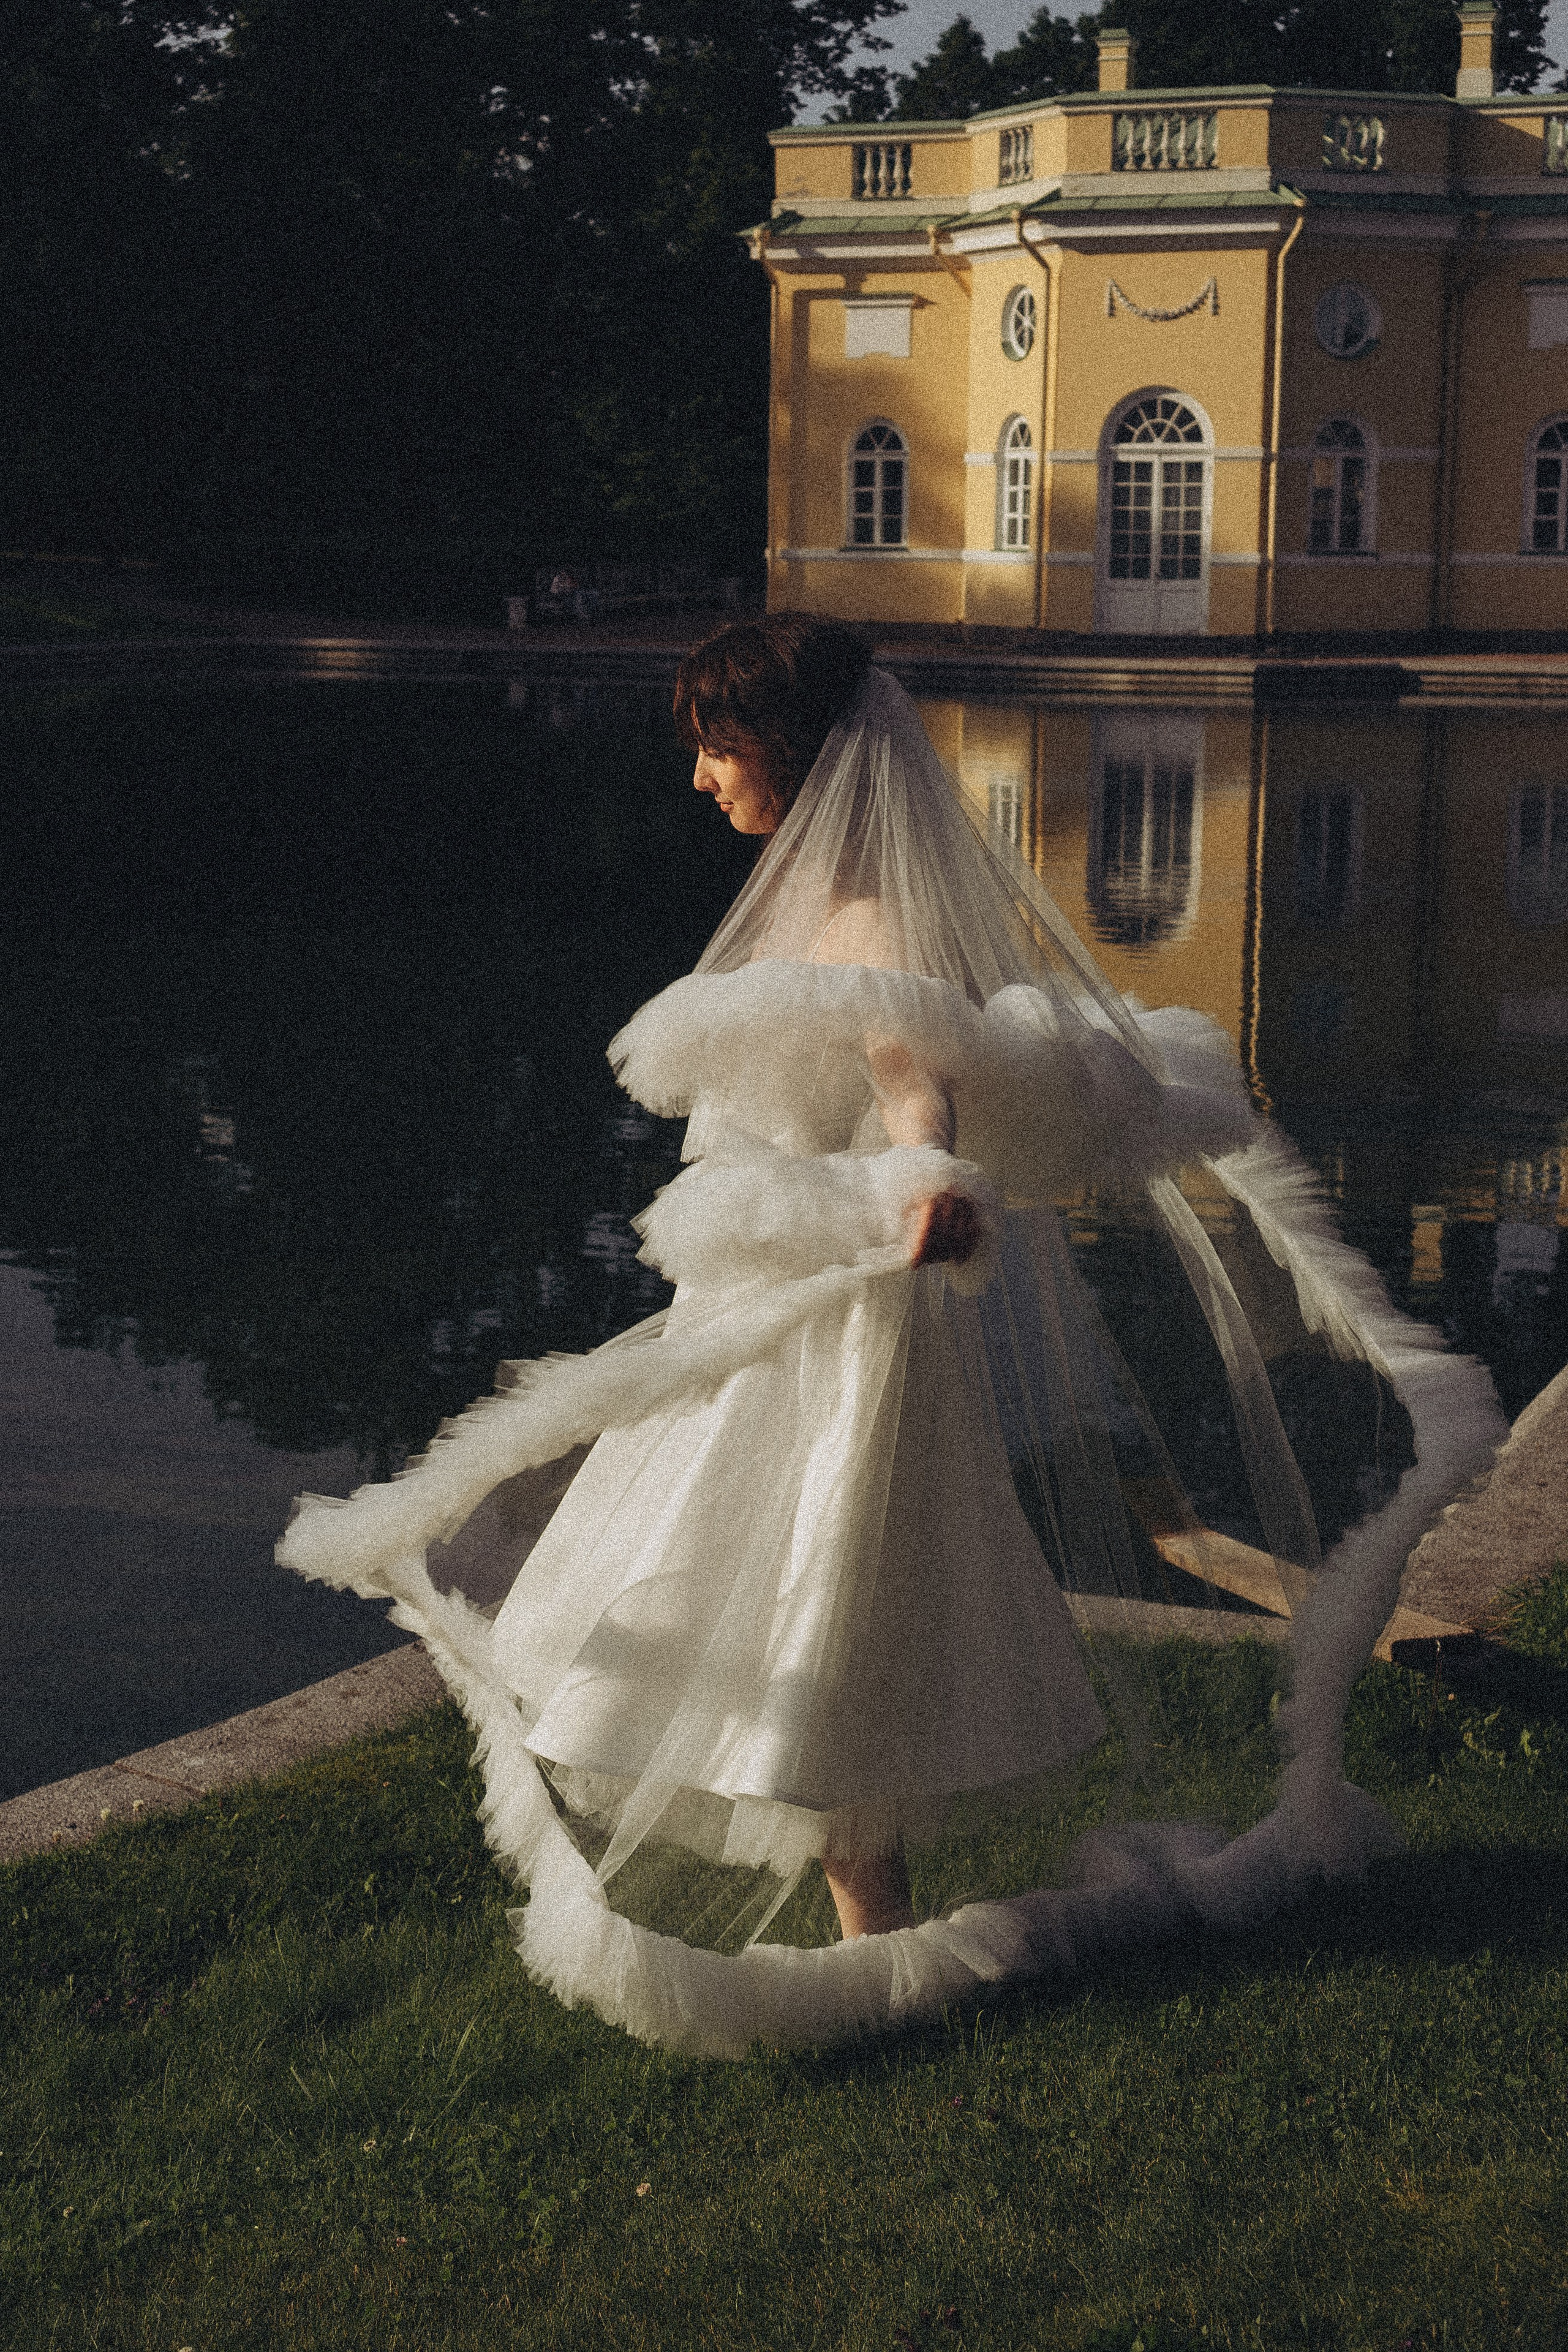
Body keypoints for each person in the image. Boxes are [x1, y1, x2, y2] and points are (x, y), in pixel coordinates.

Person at [279, 615, 1504, 2058]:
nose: (699, 779)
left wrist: (922, 1185)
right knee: (763, 1596)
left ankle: (875, 1958)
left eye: (716, 749)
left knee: (826, 1609)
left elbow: (917, 1086)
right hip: (761, 1315)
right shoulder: (813, 905)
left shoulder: (868, 927)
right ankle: (874, 1944)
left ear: (789, 752)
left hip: (833, 1338)